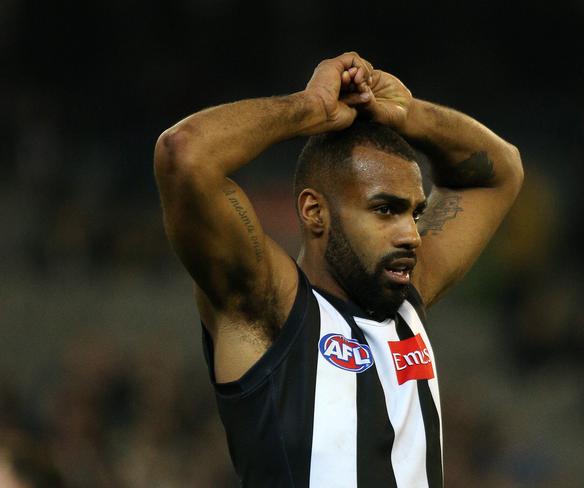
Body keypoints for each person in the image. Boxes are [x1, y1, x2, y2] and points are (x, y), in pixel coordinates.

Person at [154, 51, 523, 487]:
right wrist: (311, 109)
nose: (411, 234)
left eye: (415, 213)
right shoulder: (269, 308)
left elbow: (502, 170)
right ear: (315, 213)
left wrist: (408, 114)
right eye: (385, 210)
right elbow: (185, 154)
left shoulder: (406, 295)